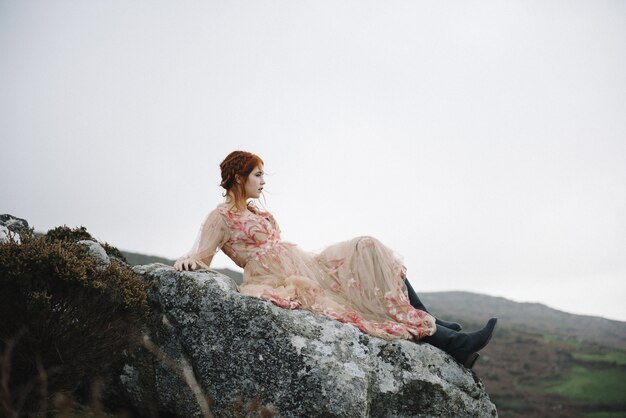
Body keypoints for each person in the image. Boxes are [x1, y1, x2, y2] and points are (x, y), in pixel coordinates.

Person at [175, 151, 497, 369]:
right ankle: (452, 339)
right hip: (278, 278)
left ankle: (430, 322)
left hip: (302, 262)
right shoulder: (221, 216)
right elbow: (201, 255)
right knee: (358, 303)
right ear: (239, 176)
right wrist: (187, 262)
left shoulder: (257, 212)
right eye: (258, 175)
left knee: (369, 248)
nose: (263, 181)